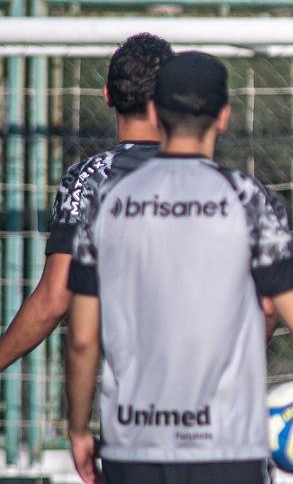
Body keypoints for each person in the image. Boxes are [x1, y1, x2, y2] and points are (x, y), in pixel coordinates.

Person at [65, 51, 293, 484]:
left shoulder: (107, 201)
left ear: (154, 111)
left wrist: (78, 429)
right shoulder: (246, 198)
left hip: (131, 443)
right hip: (227, 446)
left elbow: (80, 338)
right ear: (223, 117)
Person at [0, 33, 174, 372]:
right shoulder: (215, 180)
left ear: (107, 95)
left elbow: (55, 298)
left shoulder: (91, 179)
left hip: (137, 400)